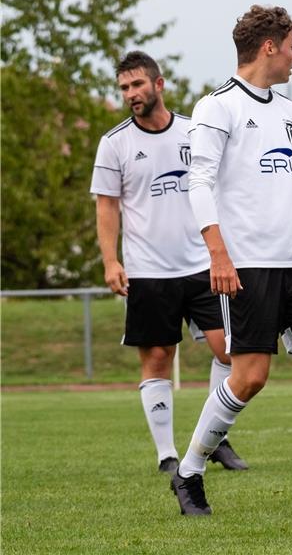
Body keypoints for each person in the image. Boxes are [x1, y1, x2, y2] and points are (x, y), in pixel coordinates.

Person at [170, 5, 292, 515]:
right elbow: (199, 184)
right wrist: (219, 253)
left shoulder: (290, 113)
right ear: (269, 47)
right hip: (247, 263)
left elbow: (282, 187)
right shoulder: (216, 107)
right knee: (250, 376)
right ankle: (189, 473)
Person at [91, 51, 248, 475]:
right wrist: (111, 261)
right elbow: (107, 207)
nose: (130, 94)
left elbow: (221, 187)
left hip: (202, 264)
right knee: (157, 357)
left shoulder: (194, 133)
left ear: (158, 85)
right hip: (147, 270)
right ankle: (166, 455)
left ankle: (214, 438)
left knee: (231, 352)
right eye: (124, 87)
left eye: (137, 85)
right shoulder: (115, 143)